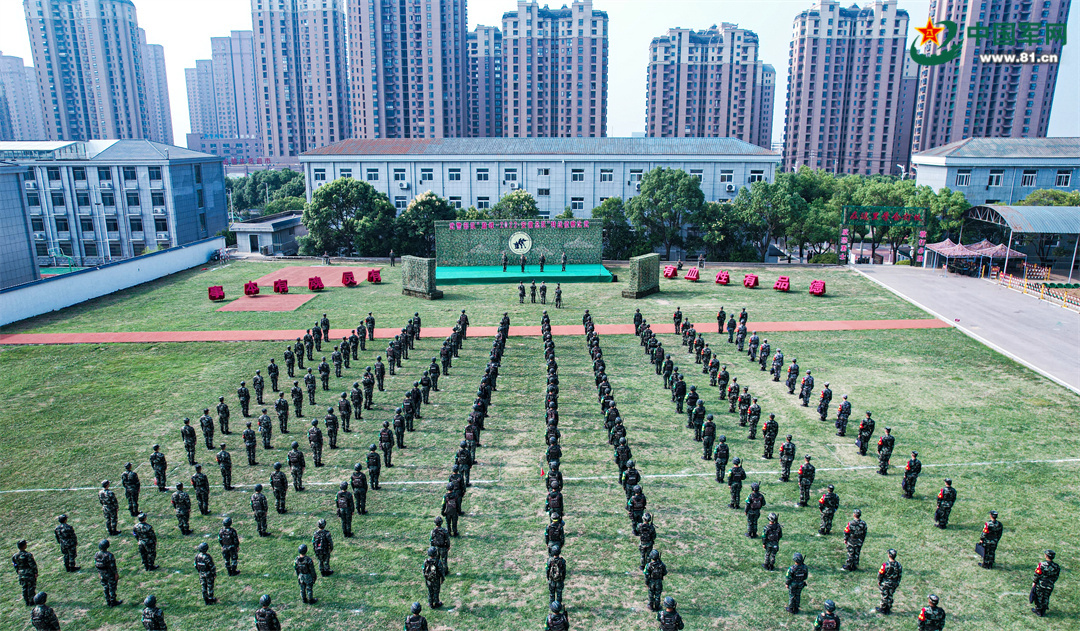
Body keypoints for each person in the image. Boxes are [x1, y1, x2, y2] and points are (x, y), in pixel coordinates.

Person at [1031, 550, 1060, 617]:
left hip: (1041, 584)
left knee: (1039, 597)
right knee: (1046, 597)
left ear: (1046, 556)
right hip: (1050, 584)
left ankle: (1038, 611)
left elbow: (1037, 574)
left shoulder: (1042, 564)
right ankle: (1043, 610)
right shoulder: (1056, 566)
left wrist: (1034, 582)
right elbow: (1056, 576)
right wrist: (1051, 582)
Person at [93, 539, 122, 606]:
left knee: (105, 587)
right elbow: (113, 566)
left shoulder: (96, 554)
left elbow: (96, 564)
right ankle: (113, 601)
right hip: (109, 574)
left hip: (102, 574)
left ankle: (108, 601)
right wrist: (116, 573)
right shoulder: (109, 555)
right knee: (112, 587)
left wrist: (99, 573)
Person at [12, 540, 38, 606]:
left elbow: (15, 565)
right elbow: (32, 564)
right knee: (31, 587)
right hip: (29, 573)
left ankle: (26, 601)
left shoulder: (15, 556)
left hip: (21, 573)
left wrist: (18, 571)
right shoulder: (28, 555)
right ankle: (31, 601)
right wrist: (35, 572)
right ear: (24, 546)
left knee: (24, 587)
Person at [876, 549, 902, 614]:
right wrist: (897, 583)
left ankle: (883, 608)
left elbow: (880, 574)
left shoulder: (885, 565)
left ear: (889, 555)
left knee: (884, 595)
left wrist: (879, 581)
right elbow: (900, 575)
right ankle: (888, 608)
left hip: (885, 583)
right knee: (890, 595)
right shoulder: (898, 565)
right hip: (894, 583)